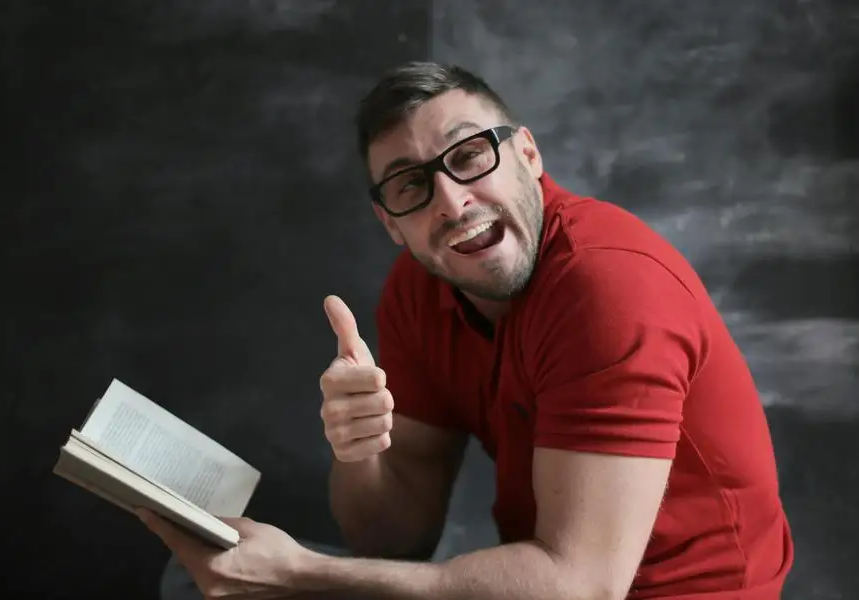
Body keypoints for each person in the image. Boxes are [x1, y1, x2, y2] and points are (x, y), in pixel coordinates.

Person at [144, 61, 794, 599]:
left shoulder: (610, 288)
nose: (452, 202)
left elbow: (583, 586)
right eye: (410, 186)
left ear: (528, 155)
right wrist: (359, 450)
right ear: (390, 223)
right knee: (197, 582)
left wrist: (298, 573)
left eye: (470, 156)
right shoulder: (420, 287)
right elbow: (394, 538)